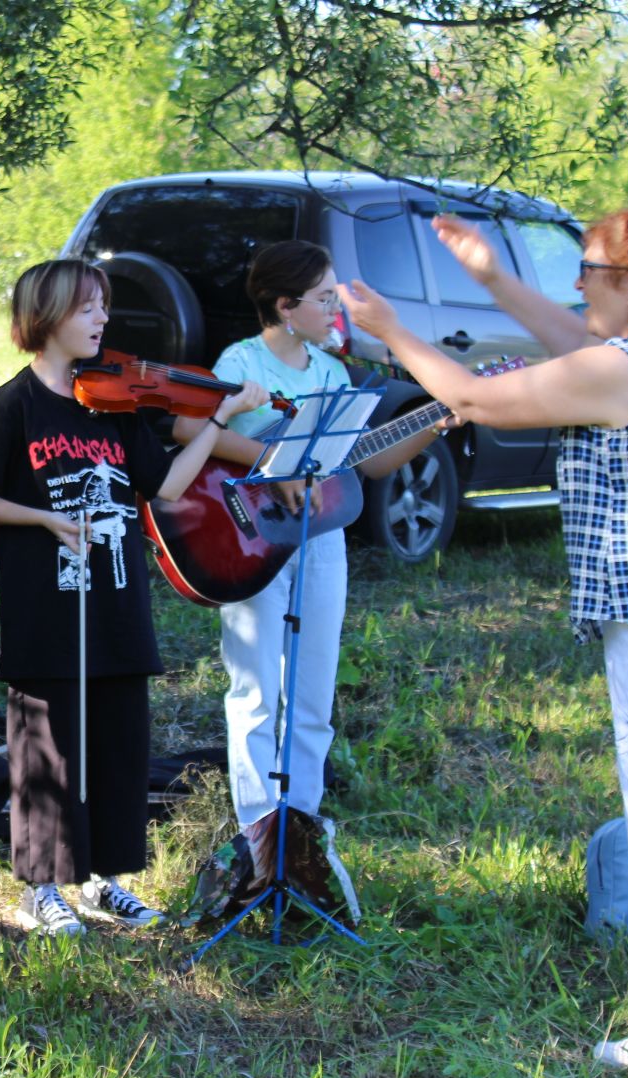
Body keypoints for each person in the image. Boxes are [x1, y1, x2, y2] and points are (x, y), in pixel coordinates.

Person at [337, 193, 628, 1069]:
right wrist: (487, 276)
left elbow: (473, 399)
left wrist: (391, 329)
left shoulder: (622, 371)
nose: (575, 282)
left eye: (589, 271)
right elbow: (579, 344)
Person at [0, 258, 224, 935]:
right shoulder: (12, 406)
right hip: (44, 609)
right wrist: (43, 518)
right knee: (47, 746)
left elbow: (162, 487)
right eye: (88, 308)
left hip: (117, 603)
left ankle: (103, 881)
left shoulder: (113, 404)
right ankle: (39, 889)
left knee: (117, 745)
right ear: (45, 318)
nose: (103, 319)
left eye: (102, 307)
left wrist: (219, 419)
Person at [177, 242, 454, 853]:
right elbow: (200, 435)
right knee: (254, 690)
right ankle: (256, 829)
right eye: (325, 298)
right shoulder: (241, 360)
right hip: (249, 538)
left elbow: (370, 463)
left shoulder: (331, 370)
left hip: (320, 541)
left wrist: (436, 418)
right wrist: (280, 468)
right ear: (285, 305)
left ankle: (300, 827)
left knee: (313, 691)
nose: (336, 309)